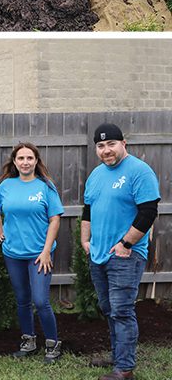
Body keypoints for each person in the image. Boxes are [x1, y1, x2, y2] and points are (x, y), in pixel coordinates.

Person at [81, 123, 160, 380]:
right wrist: (85, 240)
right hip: (99, 254)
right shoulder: (96, 175)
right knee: (109, 309)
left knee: (122, 310)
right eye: (101, 146)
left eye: (111, 144)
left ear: (123, 143)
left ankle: (125, 369)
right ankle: (117, 356)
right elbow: (88, 210)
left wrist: (126, 244)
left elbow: (148, 212)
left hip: (126, 254)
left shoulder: (139, 171)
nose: (106, 150)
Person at [0, 142, 64, 363]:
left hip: (39, 254)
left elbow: (55, 219)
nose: (25, 162)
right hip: (13, 253)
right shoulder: (6, 186)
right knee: (22, 299)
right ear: (14, 162)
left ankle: (52, 343)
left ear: (36, 161)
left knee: (40, 301)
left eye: (29, 158)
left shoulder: (46, 186)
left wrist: (47, 250)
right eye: (21, 158)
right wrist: (0, 231)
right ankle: (28, 341)